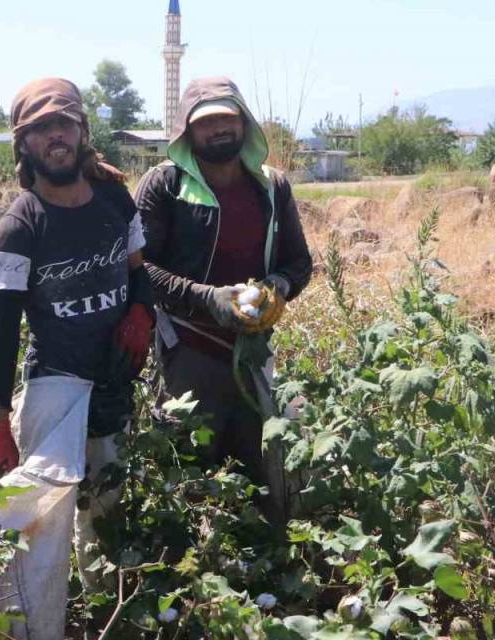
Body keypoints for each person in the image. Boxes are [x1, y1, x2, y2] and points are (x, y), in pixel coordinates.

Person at [0, 78, 154, 592]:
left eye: (65, 123)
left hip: (113, 380)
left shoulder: (114, 199)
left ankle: (104, 604)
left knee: (105, 503)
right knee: (45, 512)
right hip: (56, 385)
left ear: (81, 131)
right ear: (23, 144)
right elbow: (2, 326)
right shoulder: (20, 226)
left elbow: (138, 267)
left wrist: (141, 310)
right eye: (41, 128)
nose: (56, 136)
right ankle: (42, 609)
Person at [135, 77, 313, 527]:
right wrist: (206, 299)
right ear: (187, 132)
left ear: (243, 123)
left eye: (226, 118)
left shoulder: (272, 187)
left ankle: (262, 573)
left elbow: (299, 262)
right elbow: (138, 270)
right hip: (188, 349)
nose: (218, 129)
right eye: (205, 122)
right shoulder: (164, 186)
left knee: (259, 465)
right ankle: (192, 581)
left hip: (253, 350)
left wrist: (276, 289)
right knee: (191, 472)